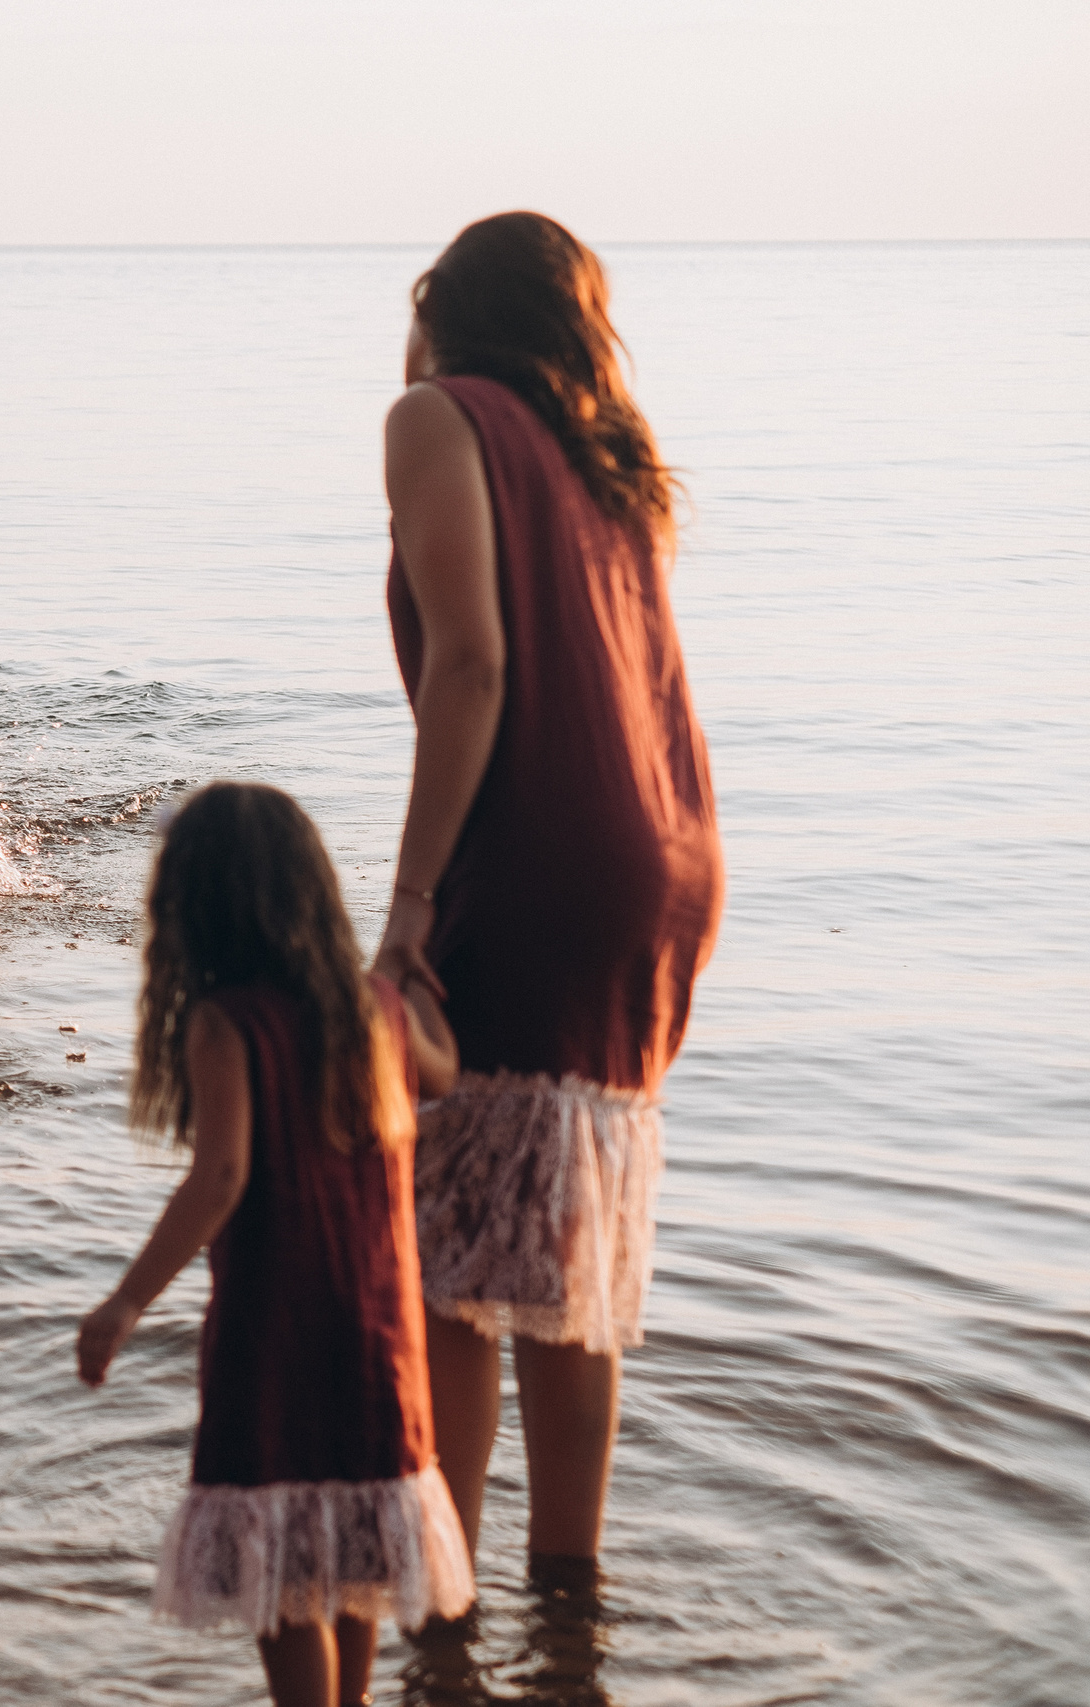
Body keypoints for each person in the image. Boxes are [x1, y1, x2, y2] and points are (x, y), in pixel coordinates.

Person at [371, 211, 726, 1583]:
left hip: (539, 851)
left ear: (444, 309)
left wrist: (408, 906)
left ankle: (446, 1603)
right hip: (665, 858)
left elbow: (472, 667)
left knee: (452, 1256)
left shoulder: (437, 416)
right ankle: (570, 1598)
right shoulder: (614, 455)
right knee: (565, 1248)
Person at [76, 782, 475, 1707]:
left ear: (197, 906)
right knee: (354, 1544)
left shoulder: (226, 1022)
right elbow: (446, 1074)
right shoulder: (374, 1009)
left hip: (277, 1330)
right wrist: (410, 981)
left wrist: (125, 1302)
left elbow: (221, 1177)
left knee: (285, 1568)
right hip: (379, 1332)